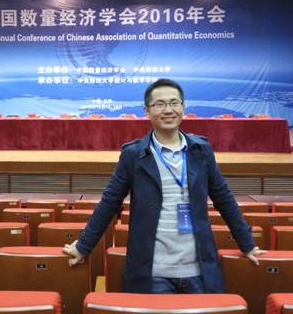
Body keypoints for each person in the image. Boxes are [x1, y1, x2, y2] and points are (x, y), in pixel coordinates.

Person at [63, 78, 265, 293]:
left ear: (183, 107)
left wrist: (247, 243)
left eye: (174, 103)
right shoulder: (133, 155)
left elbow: (223, 197)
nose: (168, 110)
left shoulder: (201, 150)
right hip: (152, 273)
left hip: (198, 270)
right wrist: (84, 246)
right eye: (159, 104)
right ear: (147, 111)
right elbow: (110, 202)